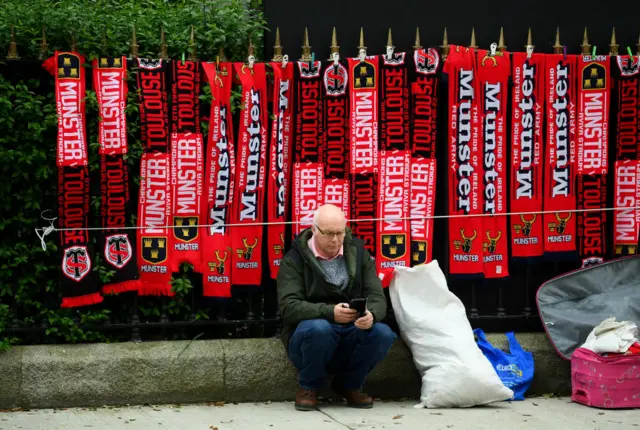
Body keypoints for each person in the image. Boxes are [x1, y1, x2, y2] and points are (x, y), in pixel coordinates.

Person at [276, 204, 397, 411]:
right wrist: (329, 312)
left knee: (382, 333)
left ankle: (349, 385)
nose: (335, 240)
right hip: (310, 336)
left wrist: (371, 314)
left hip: (351, 330)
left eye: (340, 233)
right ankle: (309, 387)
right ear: (314, 230)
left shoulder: (359, 254)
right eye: (329, 234)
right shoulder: (294, 259)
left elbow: (376, 296)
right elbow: (289, 307)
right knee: (318, 329)